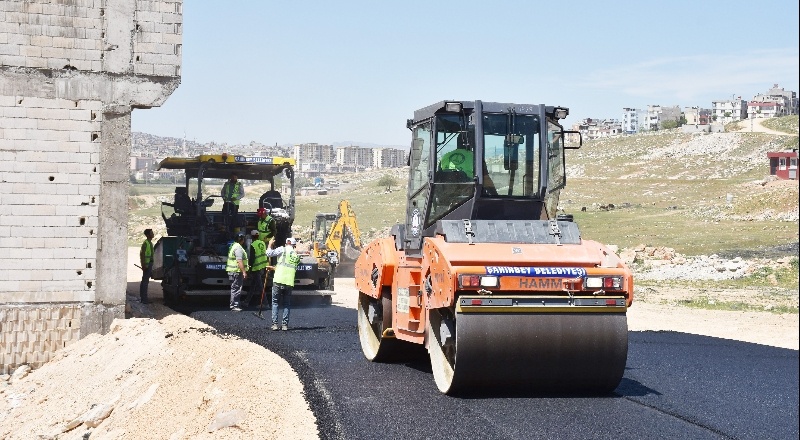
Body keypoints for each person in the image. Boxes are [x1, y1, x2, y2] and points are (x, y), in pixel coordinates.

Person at [265, 236, 301, 331]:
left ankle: (275, 324)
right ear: (294, 246)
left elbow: (268, 253)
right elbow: (286, 266)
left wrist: (269, 244)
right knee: (286, 304)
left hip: (278, 280)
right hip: (289, 282)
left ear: (286, 243)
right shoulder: (296, 256)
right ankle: (285, 325)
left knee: (275, 302)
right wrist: (273, 268)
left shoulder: (282, 249)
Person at [245, 229, 269, 308]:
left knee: (260, 287)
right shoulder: (262, 243)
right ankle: (246, 302)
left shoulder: (253, 245)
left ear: (252, 236)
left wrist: (249, 268)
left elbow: (252, 258)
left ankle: (265, 303)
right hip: (262, 266)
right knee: (253, 285)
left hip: (256, 268)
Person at [226, 232, 249, 311]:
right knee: (236, 288)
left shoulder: (233, 245)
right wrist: (244, 272)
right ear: (242, 239)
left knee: (234, 288)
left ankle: (234, 304)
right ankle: (234, 305)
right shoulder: (238, 248)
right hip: (236, 271)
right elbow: (239, 261)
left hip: (232, 271)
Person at [139, 229, 155, 304]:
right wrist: (144, 265)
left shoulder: (150, 243)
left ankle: (143, 298)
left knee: (145, 281)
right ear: (148, 235)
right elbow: (142, 255)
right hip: (147, 265)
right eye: (151, 233)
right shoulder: (146, 243)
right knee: (145, 282)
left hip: (149, 264)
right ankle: (144, 299)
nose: (153, 234)